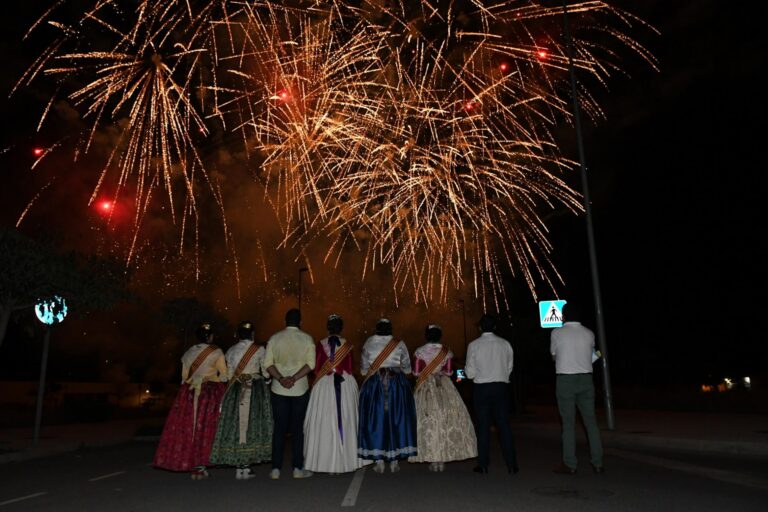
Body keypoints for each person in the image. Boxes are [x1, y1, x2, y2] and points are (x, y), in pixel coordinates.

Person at [154, 323, 227, 479]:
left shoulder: (188, 353)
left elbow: (184, 377)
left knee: (190, 428)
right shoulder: (217, 351)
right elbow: (224, 375)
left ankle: (192, 463)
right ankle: (201, 464)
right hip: (209, 395)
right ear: (210, 337)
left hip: (190, 393)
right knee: (206, 429)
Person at [303, 314, 368, 473]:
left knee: (323, 420)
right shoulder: (348, 345)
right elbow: (350, 368)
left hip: (324, 385)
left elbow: (317, 368)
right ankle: (346, 461)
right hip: (344, 383)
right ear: (341, 328)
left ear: (327, 327)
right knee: (346, 419)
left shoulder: (320, 344)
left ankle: (322, 462)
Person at [209, 321, 272, 479]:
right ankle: (247, 464)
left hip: (236, 389)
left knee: (235, 423)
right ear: (252, 334)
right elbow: (265, 371)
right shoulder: (260, 349)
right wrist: (267, 380)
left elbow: (229, 375)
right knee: (253, 423)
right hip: (255, 388)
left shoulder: (231, 350)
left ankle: (239, 464)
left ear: (238, 334)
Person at [409, 324, 477, 471]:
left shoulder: (419, 352)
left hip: (425, 387)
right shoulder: (447, 352)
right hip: (443, 386)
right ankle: (442, 458)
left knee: (427, 421)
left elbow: (415, 373)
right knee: (446, 419)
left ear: (426, 336)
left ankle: (432, 458)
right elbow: (448, 372)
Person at [358, 318, 417, 474]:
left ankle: (378, 460)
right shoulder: (399, 343)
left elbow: (364, 369)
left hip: (374, 385)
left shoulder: (369, 342)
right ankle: (395, 460)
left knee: (376, 420)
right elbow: (407, 367)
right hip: (396, 385)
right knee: (396, 419)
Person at [550, 303, 604, 474]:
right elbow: (593, 355)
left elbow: (553, 356)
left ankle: (570, 464)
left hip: (566, 380)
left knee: (568, 424)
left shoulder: (557, 333)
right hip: (586, 380)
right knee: (591, 423)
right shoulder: (589, 333)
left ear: (563, 316)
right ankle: (598, 463)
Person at [263, 308, 315, 480]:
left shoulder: (274, 338)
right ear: (300, 322)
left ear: (285, 322)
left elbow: (267, 364)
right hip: (300, 389)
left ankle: (276, 469)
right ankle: (297, 468)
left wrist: (281, 378)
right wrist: (294, 378)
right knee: (297, 429)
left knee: (279, 429)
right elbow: (311, 365)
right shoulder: (307, 339)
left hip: (278, 389)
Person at [465, 313, 518, 475]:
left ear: (480, 327)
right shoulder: (505, 344)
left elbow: (470, 373)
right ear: (495, 327)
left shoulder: (474, 345)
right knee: (504, 426)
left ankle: (483, 464)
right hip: (501, 387)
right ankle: (512, 465)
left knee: (483, 427)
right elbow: (509, 368)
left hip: (482, 388)